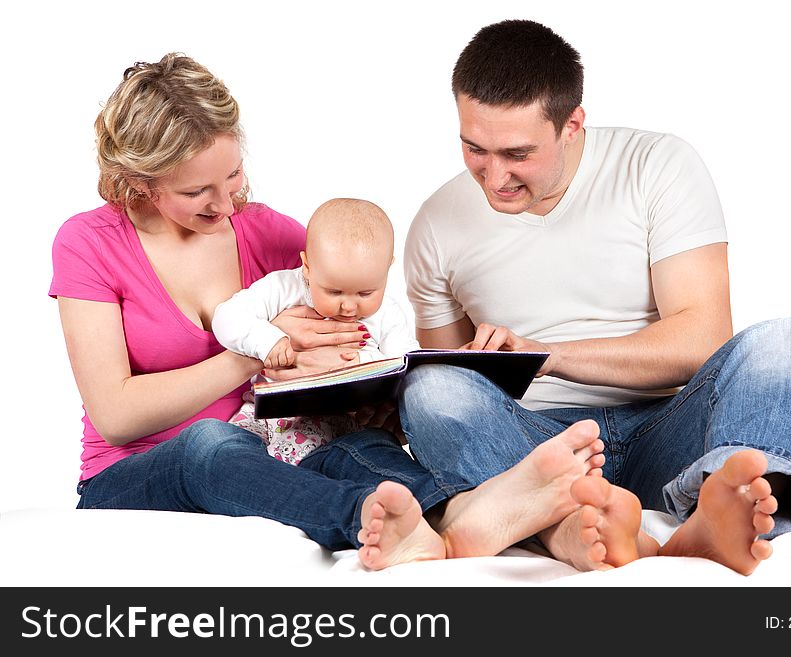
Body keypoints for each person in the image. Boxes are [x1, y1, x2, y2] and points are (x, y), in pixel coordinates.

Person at [49, 52, 607, 572]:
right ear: (140, 183)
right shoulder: (88, 244)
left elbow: (356, 298)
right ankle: (383, 520)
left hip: (277, 450)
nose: (227, 205)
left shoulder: (266, 231)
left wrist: (373, 392)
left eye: (234, 176)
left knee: (359, 448)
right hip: (137, 473)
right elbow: (116, 416)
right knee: (210, 445)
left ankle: (502, 522)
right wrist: (252, 356)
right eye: (198, 191)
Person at [401, 19, 791, 575]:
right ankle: (566, 520)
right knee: (430, 387)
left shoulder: (657, 166)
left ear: (572, 125)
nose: (494, 176)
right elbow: (449, 377)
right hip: (536, 450)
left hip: (668, 428)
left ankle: (717, 508)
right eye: (474, 149)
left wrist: (545, 355)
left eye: (517, 153)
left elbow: (703, 340)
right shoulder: (435, 224)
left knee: (786, 343)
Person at [212, 197, 419, 464]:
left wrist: (361, 364)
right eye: (333, 291)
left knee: (308, 454)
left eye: (366, 292)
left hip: (336, 419)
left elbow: (407, 368)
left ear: (387, 268)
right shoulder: (284, 288)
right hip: (263, 412)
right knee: (229, 451)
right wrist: (267, 341)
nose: (348, 305)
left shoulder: (387, 314)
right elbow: (226, 317)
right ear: (307, 267)